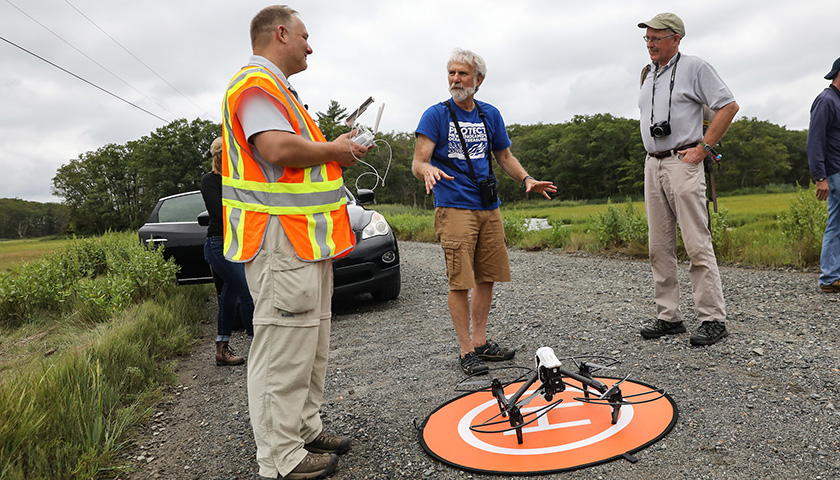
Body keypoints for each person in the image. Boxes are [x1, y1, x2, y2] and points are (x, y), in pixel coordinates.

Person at [220, 6, 372, 479]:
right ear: (280, 34)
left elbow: (296, 162)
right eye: (305, 37)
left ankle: (304, 428)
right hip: (280, 241)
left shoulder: (281, 92)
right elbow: (277, 150)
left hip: (302, 244)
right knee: (283, 348)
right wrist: (337, 149)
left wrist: (336, 153)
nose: (310, 46)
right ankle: (280, 457)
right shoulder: (255, 85)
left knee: (309, 346)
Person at [412, 48, 556, 375]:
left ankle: (480, 342)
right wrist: (427, 171)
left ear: (478, 80)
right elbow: (419, 161)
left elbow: (504, 156)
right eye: (451, 73)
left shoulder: (489, 114)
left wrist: (527, 179)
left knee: (487, 276)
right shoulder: (435, 115)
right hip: (454, 206)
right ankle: (466, 352)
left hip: (488, 207)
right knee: (460, 281)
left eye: (462, 74)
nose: (455, 79)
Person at [636, 13, 739, 346]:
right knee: (658, 247)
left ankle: (712, 318)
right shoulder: (646, 73)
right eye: (647, 38)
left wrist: (704, 146)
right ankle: (669, 317)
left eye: (656, 38)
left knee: (696, 242)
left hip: (684, 161)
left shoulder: (696, 67)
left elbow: (728, 106)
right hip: (654, 163)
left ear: (676, 38)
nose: (650, 44)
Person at [200, 136, 255, 366]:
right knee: (247, 289)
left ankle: (221, 349)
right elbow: (218, 212)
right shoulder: (210, 181)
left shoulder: (241, 177)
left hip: (240, 242)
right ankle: (260, 344)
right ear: (219, 156)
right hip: (218, 243)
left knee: (229, 296)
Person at [807, 57, 840, 293]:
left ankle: (830, 277)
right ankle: (829, 276)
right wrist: (820, 177)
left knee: (836, 225)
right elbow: (815, 141)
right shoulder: (826, 100)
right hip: (836, 172)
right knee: (835, 225)